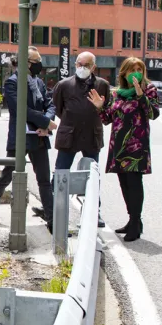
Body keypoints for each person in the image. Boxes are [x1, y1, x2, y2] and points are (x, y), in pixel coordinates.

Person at [0, 47, 56, 228]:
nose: (40, 65)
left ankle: (52, 220)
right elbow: (21, 110)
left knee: (44, 180)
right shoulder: (12, 83)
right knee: (6, 177)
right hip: (21, 138)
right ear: (26, 63)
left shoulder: (39, 82)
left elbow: (50, 104)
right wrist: (45, 121)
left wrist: (47, 123)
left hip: (39, 137)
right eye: (37, 61)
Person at [102, 57, 159, 242]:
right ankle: (132, 219)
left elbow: (153, 113)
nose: (136, 73)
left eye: (139, 70)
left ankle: (135, 222)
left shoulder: (149, 90)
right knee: (124, 183)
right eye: (132, 70)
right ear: (124, 73)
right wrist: (99, 108)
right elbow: (107, 118)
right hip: (118, 145)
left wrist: (141, 95)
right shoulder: (116, 93)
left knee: (134, 183)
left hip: (137, 145)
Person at [52, 51, 110, 227]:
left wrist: (99, 108)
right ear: (75, 64)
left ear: (93, 67)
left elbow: (107, 110)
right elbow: (58, 108)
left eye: (86, 65)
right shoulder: (64, 85)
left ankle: (94, 212)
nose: (82, 68)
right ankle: (51, 208)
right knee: (61, 171)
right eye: (79, 64)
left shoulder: (102, 85)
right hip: (69, 134)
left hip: (92, 135)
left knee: (93, 176)